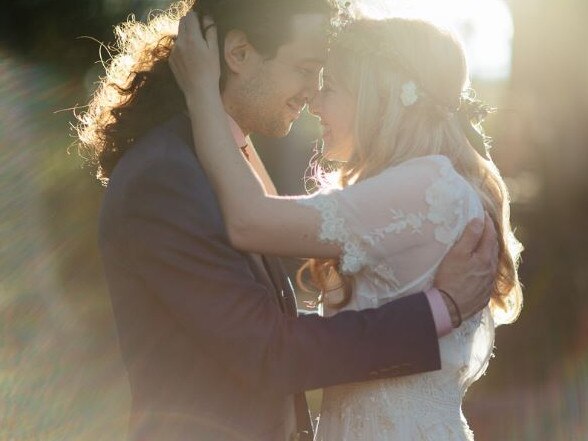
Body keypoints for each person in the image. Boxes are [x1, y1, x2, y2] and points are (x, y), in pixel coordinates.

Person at [76, 1, 498, 440]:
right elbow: (265, 350)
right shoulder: (167, 176)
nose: (313, 93)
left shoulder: (218, 166)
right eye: (306, 67)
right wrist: (438, 311)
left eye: (324, 78)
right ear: (238, 54)